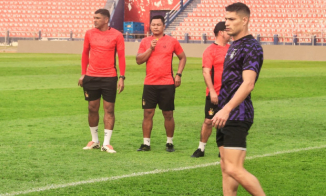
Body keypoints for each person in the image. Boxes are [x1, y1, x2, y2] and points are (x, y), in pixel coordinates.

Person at [207, 2, 283, 196]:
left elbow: (248, 83)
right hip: (226, 113)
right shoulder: (234, 45)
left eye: (231, 19)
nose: (226, 23)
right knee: (225, 167)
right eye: (226, 19)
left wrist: (227, 108)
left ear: (245, 20)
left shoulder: (251, 46)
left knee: (233, 167)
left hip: (237, 114)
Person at [136, 15, 186, 152]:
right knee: (148, 113)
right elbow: (139, 60)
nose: (156, 27)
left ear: (164, 26)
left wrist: (178, 74)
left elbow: (182, 57)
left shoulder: (172, 41)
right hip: (150, 83)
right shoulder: (146, 42)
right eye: (153, 25)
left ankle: (169, 142)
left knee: (168, 113)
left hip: (167, 83)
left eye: (158, 24)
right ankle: (146, 143)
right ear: (150, 26)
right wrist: (150, 49)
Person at [79, 9, 126, 153]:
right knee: (92, 108)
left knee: (109, 109)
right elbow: (85, 53)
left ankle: (107, 143)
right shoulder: (89, 33)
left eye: (98, 18)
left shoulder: (117, 35)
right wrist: (83, 74)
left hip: (109, 77)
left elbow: (122, 57)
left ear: (106, 20)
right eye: (94, 18)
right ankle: (94, 140)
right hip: (91, 76)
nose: (95, 20)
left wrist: (121, 77)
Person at [192, 21, 230, 158]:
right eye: (227, 30)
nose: (230, 33)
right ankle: (201, 148)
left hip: (229, 94)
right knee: (209, 120)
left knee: (227, 121)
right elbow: (206, 72)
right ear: (221, 32)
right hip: (215, 94)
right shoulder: (210, 51)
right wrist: (212, 91)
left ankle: (223, 150)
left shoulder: (231, 49)